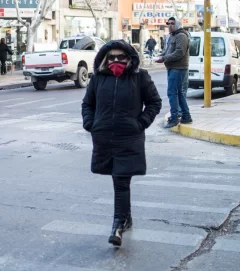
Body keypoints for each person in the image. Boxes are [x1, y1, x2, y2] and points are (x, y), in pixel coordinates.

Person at [81, 40, 162, 247]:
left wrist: (141, 123)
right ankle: (127, 217)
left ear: (129, 58)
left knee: (121, 180)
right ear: (105, 59)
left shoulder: (140, 77)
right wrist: (91, 124)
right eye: (111, 57)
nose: (116, 61)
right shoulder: (98, 78)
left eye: (121, 57)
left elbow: (154, 102)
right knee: (118, 179)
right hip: (104, 138)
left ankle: (118, 224)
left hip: (129, 138)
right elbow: (88, 104)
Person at [155, 17, 192, 128]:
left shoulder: (181, 36)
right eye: (168, 23)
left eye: (172, 23)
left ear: (178, 24)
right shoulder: (172, 36)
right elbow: (167, 50)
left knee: (172, 93)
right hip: (172, 68)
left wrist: (164, 58)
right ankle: (186, 116)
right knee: (179, 93)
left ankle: (174, 118)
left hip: (178, 68)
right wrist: (161, 56)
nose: (170, 25)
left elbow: (179, 53)